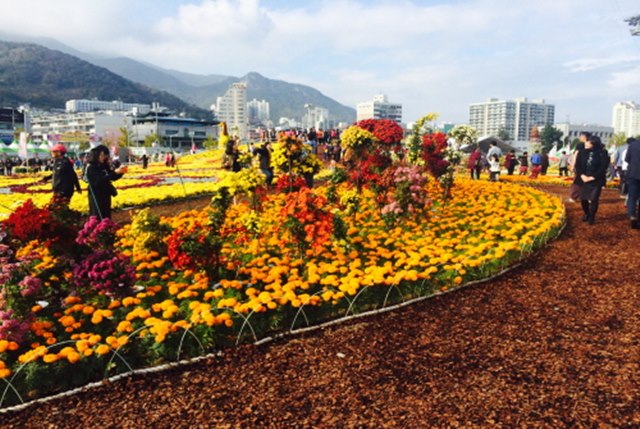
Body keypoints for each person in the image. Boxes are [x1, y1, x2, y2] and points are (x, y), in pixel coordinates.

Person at [85, 144, 127, 219]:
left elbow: (111, 177)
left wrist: (120, 172)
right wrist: (115, 173)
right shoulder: (91, 167)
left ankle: (106, 228)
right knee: (97, 215)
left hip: (106, 194)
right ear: (96, 154)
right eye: (102, 155)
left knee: (106, 214)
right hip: (97, 195)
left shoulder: (103, 166)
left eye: (105, 156)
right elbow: (98, 181)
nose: (104, 157)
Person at [574, 136, 609, 225]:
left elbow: (603, 167)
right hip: (583, 179)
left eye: (588, 142)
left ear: (593, 143)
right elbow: (578, 166)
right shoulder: (582, 153)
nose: (585, 143)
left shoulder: (602, 153)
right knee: (583, 199)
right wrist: (582, 175)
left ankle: (592, 217)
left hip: (596, 180)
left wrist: (592, 177)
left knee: (594, 199)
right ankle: (587, 213)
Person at [624, 137, 640, 229]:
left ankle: (632, 216)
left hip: (633, 173)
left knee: (632, 197)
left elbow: (627, 159)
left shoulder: (633, 145)